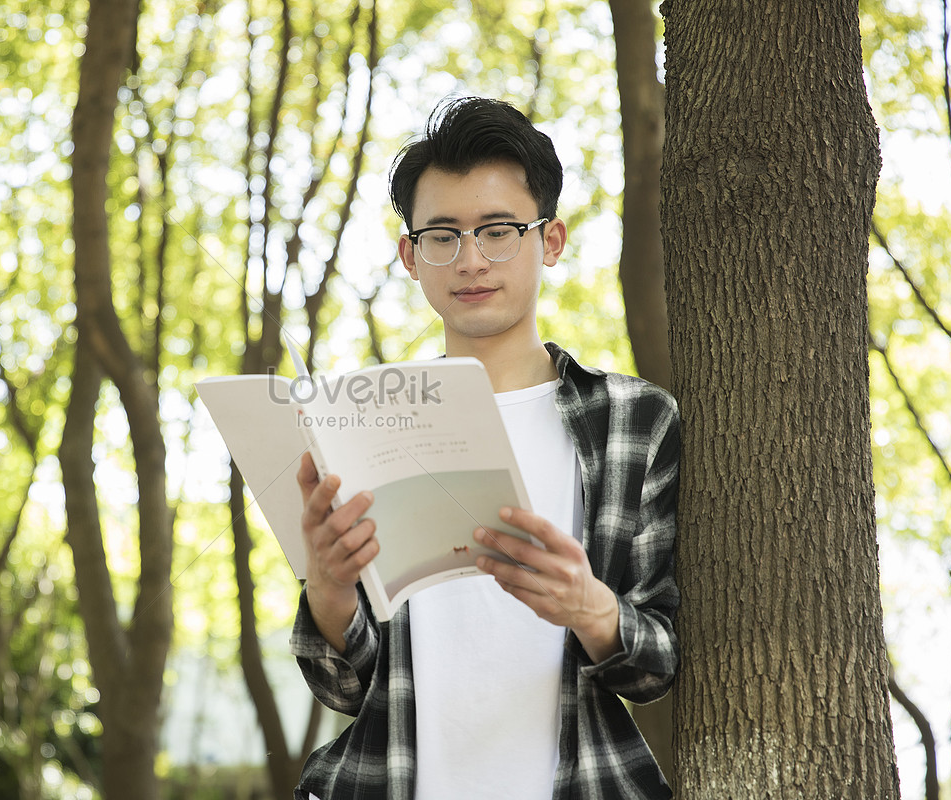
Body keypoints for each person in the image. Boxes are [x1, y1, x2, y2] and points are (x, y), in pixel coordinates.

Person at [289, 96, 680, 800]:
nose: (470, 259)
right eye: (442, 235)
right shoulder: (362, 421)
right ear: (411, 255)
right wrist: (327, 590)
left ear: (551, 241)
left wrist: (590, 607)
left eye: (498, 230)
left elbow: (657, 668)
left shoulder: (633, 422)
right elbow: (341, 686)